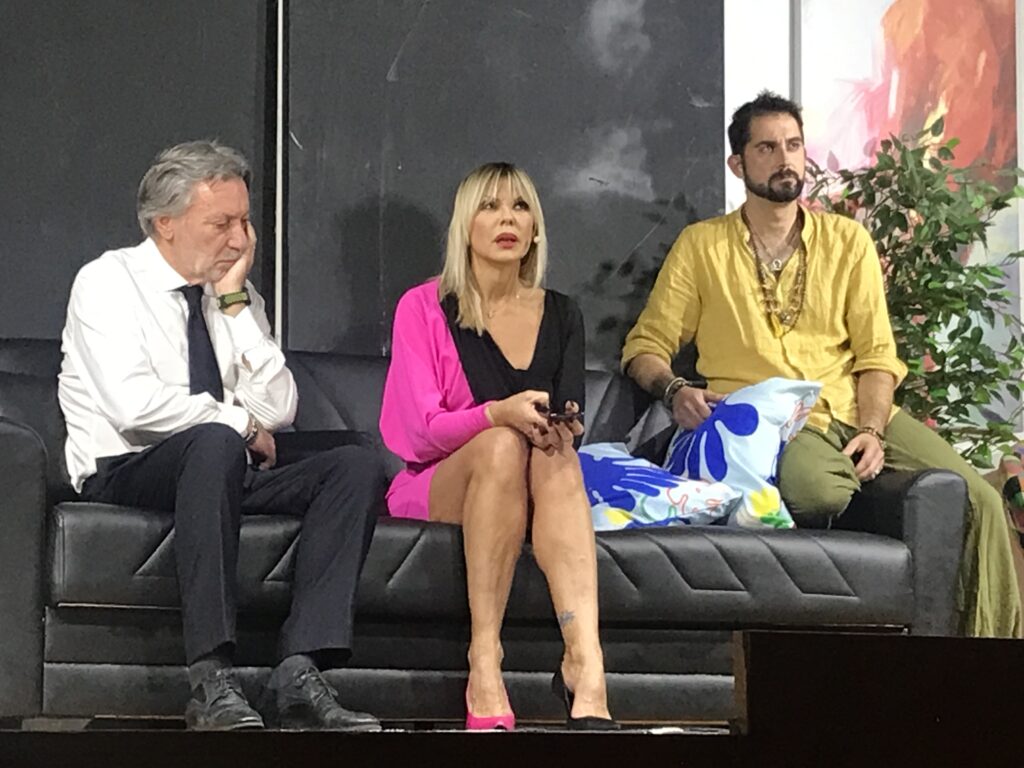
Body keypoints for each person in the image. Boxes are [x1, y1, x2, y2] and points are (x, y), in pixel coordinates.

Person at [622, 91, 1023, 639]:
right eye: (767, 148)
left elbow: (877, 356)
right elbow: (644, 346)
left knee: (980, 499)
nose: (785, 159)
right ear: (738, 164)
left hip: (853, 407)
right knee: (818, 489)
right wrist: (674, 391)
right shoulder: (702, 246)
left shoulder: (847, 240)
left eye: (793, 145)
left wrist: (872, 430)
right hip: (772, 420)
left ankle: (990, 663)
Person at [58, 140, 385, 730]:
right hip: (129, 468)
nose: (239, 240)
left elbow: (279, 408)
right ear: (166, 223)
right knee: (213, 440)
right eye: (222, 224)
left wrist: (234, 304)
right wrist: (237, 423)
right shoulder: (107, 282)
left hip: (224, 464)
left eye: (244, 222)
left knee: (354, 460)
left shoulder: (232, 293)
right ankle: (210, 678)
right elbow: (134, 407)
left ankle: (299, 669)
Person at [379, 163, 618, 730]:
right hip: (438, 482)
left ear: (535, 230)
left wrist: (561, 427)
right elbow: (418, 433)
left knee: (556, 451)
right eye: (490, 206)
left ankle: (585, 662)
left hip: (539, 487)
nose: (507, 219)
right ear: (466, 226)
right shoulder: (424, 306)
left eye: (520, 207)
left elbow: (570, 414)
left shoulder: (562, 312)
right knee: (501, 446)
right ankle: (484, 659)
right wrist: (497, 415)